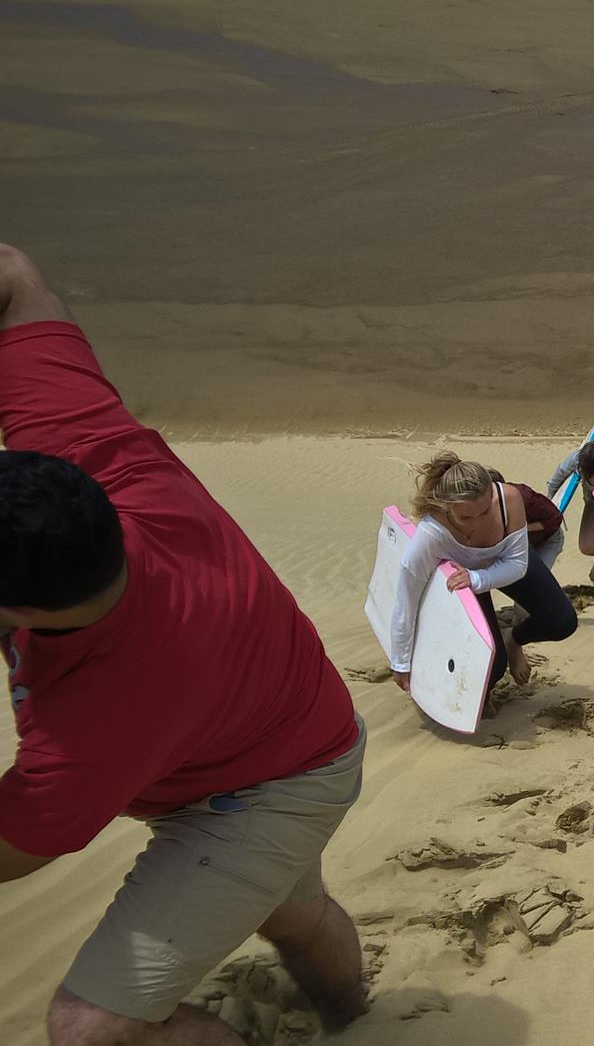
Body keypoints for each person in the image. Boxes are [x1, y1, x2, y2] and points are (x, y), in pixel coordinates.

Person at [0, 244, 370, 1044]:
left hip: (267, 788)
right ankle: (353, 1020)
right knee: (291, 911)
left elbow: (15, 847)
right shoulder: (102, 460)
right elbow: (15, 276)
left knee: (91, 1026)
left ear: (21, 611)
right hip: (298, 722)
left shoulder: (97, 720)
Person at [394, 453, 578, 694]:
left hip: (504, 564)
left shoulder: (508, 499)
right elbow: (406, 600)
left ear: (492, 493)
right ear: (447, 506)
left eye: (484, 512)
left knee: (562, 621)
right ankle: (480, 691)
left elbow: (517, 564)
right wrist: (400, 662)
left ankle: (512, 640)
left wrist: (478, 578)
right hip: (462, 580)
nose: (476, 523)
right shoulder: (431, 533)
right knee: (494, 666)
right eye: (465, 517)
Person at [545, 438, 594, 581]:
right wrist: (550, 508)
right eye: (589, 478)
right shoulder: (577, 460)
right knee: (586, 546)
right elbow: (553, 483)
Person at [487, 468, 566, 572]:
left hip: (548, 539)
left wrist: (520, 527)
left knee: (539, 579)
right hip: (523, 543)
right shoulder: (483, 506)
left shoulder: (524, 498)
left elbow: (555, 518)